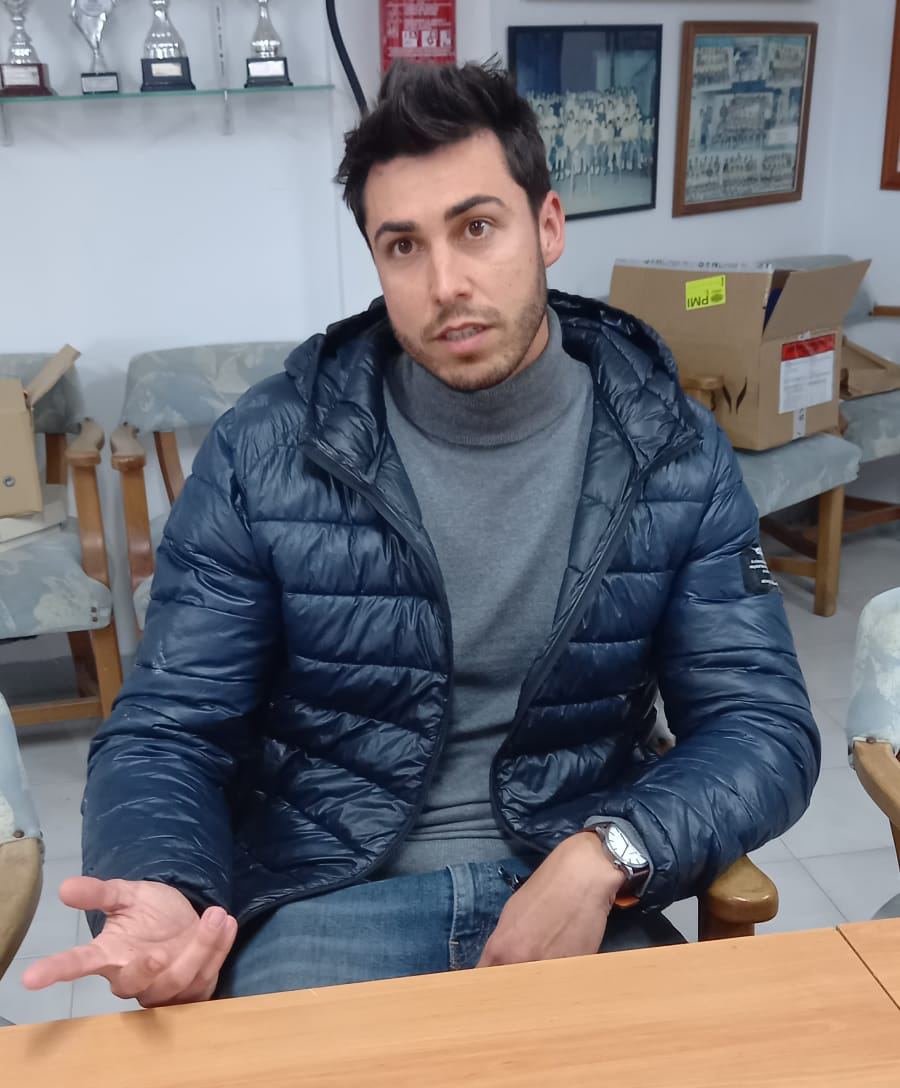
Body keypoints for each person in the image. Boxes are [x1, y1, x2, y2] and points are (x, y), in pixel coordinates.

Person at [23, 60, 819, 1009]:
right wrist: (165, 887)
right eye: (403, 246)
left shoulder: (668, 448)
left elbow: (760, 724)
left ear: (548, 227)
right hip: (328, 897)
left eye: (477, 228)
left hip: (570, 888)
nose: (446, 283)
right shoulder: (267, 450)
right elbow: (170, 726)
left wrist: (613, 850)